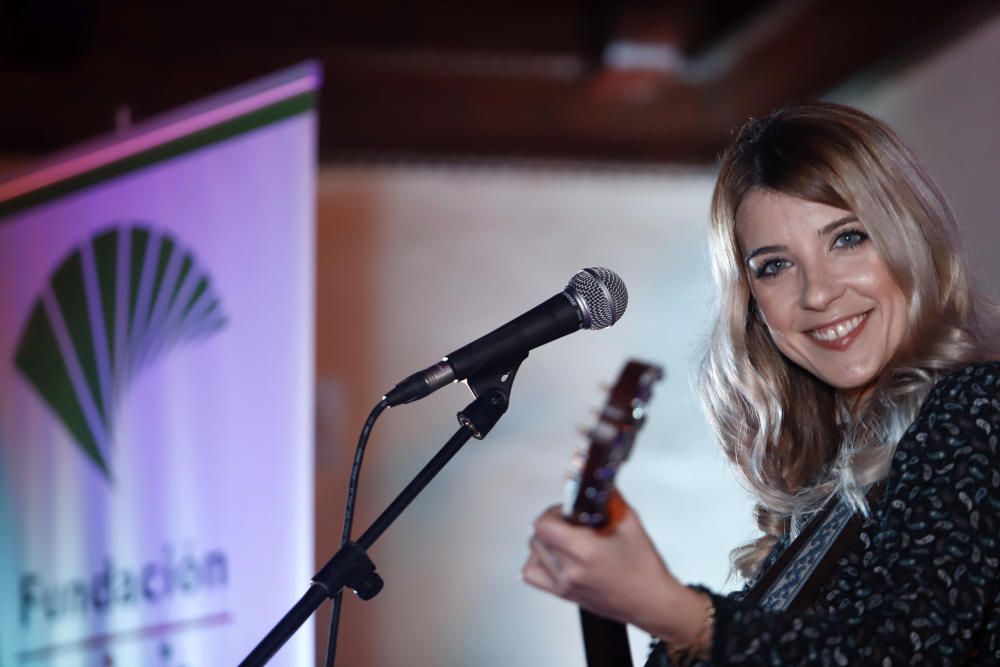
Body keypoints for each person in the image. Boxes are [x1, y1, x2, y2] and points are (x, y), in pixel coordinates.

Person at [521, 102, 1000, 665]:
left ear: (911, 239)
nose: (817, 294)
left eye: (847, 238)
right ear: (754, 306)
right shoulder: (826, 497)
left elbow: (905, 651)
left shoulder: (978, 406)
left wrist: (671, 609)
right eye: (775, 265)